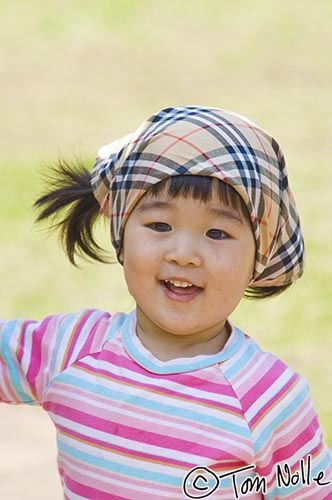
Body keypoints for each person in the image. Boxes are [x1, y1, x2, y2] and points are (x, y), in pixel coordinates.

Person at [1, 106, 331, 500]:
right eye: (160, 226)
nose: (184, 253)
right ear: (123, 236)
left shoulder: (270, 398)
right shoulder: (70, 349)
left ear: (256, 261)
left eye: (217, 233)